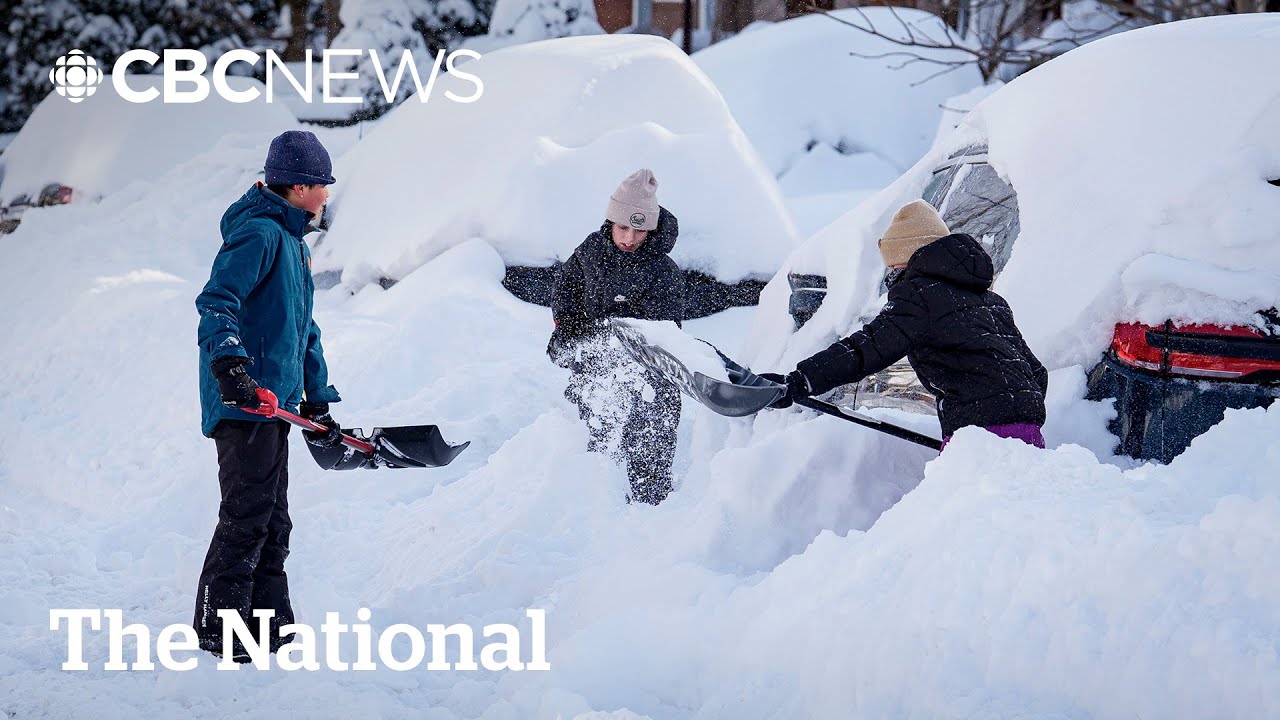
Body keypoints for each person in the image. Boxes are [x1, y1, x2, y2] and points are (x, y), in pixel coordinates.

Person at [193, 130, 346, 661]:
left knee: (273, 520)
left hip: (273, 403)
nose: (327, 194)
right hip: (243, 401)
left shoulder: (294, 246)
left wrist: (316, 397)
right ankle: (219, 633)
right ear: (299, 187)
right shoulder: (259, 235)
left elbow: (304, 331)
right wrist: (230, 367)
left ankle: (269, 632)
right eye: (322, 184)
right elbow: (217, 301)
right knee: (246, 516)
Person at [762, 199, 1048, 449]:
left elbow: (866, 348)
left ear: (908, 258)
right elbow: (1036, 373)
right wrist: (1011, 409)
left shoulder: (920, 295)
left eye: (893, 266)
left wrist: (800, 381)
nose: (892, 275)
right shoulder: (991, 301)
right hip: (1029, 430)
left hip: (980, 434)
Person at [548, 169, 686, 504]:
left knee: (649, 431)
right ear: (611, 221)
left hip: (646, 372)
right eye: (623, 227)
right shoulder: (590, 251)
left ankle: (651, 502)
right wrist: (569, 327)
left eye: (639, 230)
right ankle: (597, 497)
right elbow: (566, 290)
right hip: (595, 362)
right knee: (599, 430)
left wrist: (617, 334)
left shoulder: (663, 271)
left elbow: (664, 329)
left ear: (650, 229)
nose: (629, 237)